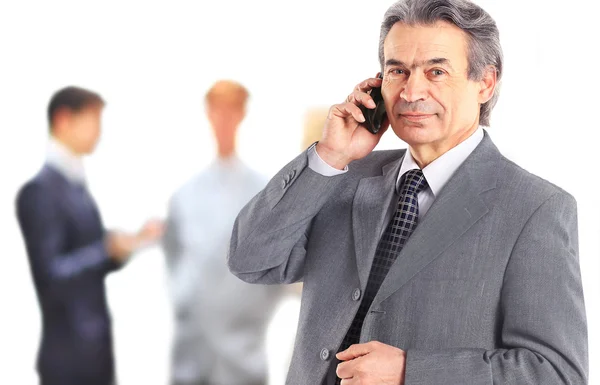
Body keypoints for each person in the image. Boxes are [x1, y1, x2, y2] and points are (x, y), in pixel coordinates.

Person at [226, 1, 588, 384]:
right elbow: (250, 260)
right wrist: (330, 156)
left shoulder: (535, 208)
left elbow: (556, 373)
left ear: (484, 82)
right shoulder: (340, 175)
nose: (412, 91)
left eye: (436, 71)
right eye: (398, 70)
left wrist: (408, 371)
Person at [15, 86, 164, 385]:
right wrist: (106, 251)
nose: (98, 131)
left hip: (92, 353)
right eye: (92, 120)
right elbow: (51, 275)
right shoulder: (40, 192)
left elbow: (85, 249)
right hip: (69, 360)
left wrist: (130, 243)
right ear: (63, 119)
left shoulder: (75, 187)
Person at [162, 80, 284, 385]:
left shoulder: (263, 192)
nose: (224, 119)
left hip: (243, 347)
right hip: (194, 346)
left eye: (231, 110)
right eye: (218, 110)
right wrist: (187, 303)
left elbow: (275, 259)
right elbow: (174, 257)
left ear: (242, 114)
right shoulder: (185, 194)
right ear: (208, 114)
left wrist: (250, 313)